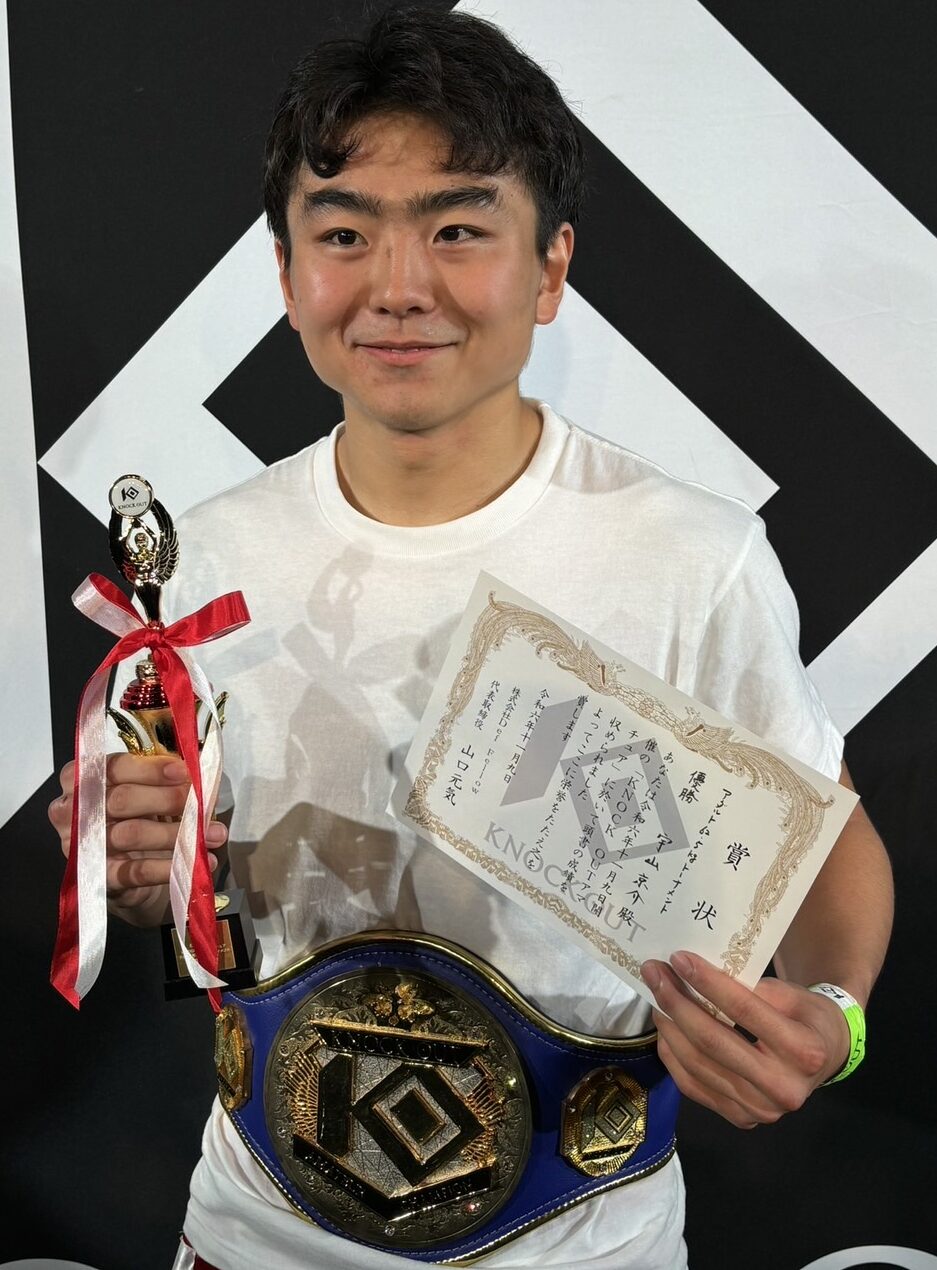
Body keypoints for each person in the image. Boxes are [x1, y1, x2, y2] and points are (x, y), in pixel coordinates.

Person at [48, 8, 892, 1269]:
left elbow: (825, 841)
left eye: (457, 229)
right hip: (251, 1230)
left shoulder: (688, 555)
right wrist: (133, 868)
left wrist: (833, 1019)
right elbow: (189, 898)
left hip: (584, 1242)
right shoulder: (205, 563)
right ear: (286, 275)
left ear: (549, 270)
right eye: (343, 233)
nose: (398, 287)